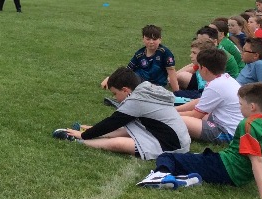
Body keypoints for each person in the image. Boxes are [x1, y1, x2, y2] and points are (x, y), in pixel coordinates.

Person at [137, 83, 262, 199]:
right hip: (233, 169)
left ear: (252, 107)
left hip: (225, 169)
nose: (239, 107)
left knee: (167, 157)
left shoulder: (247, 125)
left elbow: (257, 160)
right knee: (193, 159)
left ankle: (160, 176)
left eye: (240, 104)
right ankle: (184, 176)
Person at [53, 67, 190, 160]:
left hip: (172, 146)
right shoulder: (144, 87)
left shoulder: (137, 100)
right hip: (172, 137)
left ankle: (79, 140)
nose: (115, 98)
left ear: (125, 90)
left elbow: (112, 122)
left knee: (118, 144)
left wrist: (83, 136)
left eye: (115, 94)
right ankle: (86, 130)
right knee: (128, 128)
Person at [174, 48, 243, 144]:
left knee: (177, 120)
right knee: (183, 115)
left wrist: (170, 114)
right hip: (229, 124)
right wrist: (174, 110)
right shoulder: (225, 78)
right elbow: (200, 101)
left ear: (205, 69)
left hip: (228, 132)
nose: (198, 70)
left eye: (198, 67)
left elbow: (195, 115)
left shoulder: (215, 85)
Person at [101, 24, 180, 92]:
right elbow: (127, 70)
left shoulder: (165, 53)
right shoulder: (139, 54)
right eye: (148, 39)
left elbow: (172, 73)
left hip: (158, 85)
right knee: (130, 77)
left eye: (154, 39)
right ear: (143, 39)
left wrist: (177, 93)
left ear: (160, 40)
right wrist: (110, 79)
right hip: (140, 82)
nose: (151, 42)